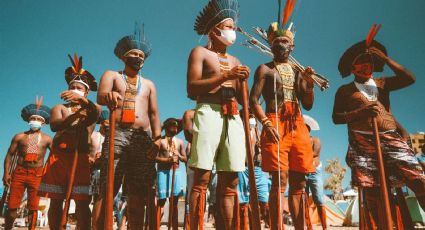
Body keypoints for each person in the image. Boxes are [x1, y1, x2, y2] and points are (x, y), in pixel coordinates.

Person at [332, 24, 425, 228]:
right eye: (362, 61)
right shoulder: (344, 91)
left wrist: (386, 59)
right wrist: (359, 113)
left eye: (371, 61)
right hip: (363, 143)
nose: (367, 65)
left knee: (419, 180)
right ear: (353, 68)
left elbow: (410, 78)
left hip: (391, 138)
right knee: (374, 192)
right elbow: (336, 118)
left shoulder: (382, 84)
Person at [249, 1, 316, 228]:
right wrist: (266, 124)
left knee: (300, 182)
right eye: (277, 41)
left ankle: (299, 226)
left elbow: (307, 105)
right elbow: (253, 101)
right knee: (280, 180)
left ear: (292, 47)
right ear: (270, 44)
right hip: (274, 120)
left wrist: (309, 85)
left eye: (285, 41)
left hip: (297, 123)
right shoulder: (264, 69)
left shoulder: (298, 71)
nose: (281, 45)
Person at [187, 0, 250, 228]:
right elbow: (192, 88)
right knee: (202, 177)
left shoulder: (236, 60)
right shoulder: (199, 53)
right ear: (215, 30)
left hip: (233, 116)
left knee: (231, 179)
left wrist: (244, 82)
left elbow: (245, 101)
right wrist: (225, 77)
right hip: (208, 111)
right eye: (229, 27)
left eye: (233, 28)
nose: (233, 32)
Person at [96, 23, 161, 229]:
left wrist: (157, 139)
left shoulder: (149, 84)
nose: (139, 58)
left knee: (139, 191)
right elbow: (100, 96)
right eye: (134, 54)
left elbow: (153, 113)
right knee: (108, 188)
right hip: (118, 134)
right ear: (124, 56)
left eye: (142, 55)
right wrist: (110, 95)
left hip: (142, 137)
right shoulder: (112, 75)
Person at [38, 54, 100, 230]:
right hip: (58, 158)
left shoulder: (91, 109)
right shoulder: (59, 108)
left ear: (86, 92)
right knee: (56, 201)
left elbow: (95, 114)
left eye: (78, 87)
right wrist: (73, 116)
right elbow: (55, 126)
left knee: (81, 203)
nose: (74, 89)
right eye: (71, 86)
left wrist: (83, 103)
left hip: (80, 158)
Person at [2, 100, 52, 230]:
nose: (35, 120)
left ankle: (32, 228)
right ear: (28, 120)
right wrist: (6, 173)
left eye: (38, 119)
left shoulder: (47, 139)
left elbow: (56, 156)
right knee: (12, 204)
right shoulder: (19, 137)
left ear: (44, 122)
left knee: (33, 206)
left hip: (37, 174)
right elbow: (9, 155)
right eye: (33, 118)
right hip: (19, 172)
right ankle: (7, 227)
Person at [155, 118, 187, 229]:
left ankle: (174, 228)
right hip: (162, 173)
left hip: (176, 172)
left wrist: (178, 154)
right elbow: (153, 157)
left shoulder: (180, 142)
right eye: (173, 126)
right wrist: (166, 161)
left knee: (174, 203)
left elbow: (185, 158)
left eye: (177, 126)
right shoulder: (160, 141)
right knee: (161, 202)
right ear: (167, 127)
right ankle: (156, 226)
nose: (176, 128)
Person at [303, 115, 327, 229]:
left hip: (314, 171)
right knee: (304, 200)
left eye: (304, 127)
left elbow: (315, 153)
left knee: (319, 199)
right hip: (302, 171)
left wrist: (299, 152)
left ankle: (324, 227)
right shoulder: (298, 141)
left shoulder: (315, 139)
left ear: (308, 128)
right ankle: (309, 227)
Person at [89, 110, 108, 227]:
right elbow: (83, 149)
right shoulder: (93, 135)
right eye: (105, 123)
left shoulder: (112, 138)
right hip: (88, 170)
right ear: (101, 123)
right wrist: (89, 158)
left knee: (99, 200)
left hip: (102, 172)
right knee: (83, 200)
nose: (107, 126)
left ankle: (96, 226)